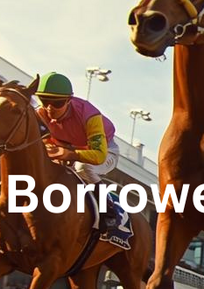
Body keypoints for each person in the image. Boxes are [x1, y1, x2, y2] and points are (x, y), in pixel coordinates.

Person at [34, 72, 132, 249]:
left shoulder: (89, 115)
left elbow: (98, 155)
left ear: (68, 100)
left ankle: (108, 211)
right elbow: (44, 143)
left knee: (83, 167)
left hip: (105, 152)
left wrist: (68, 154)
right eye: (44, 100)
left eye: (57, 103)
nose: (49, 108)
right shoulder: (40, 114)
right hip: (69, 149)